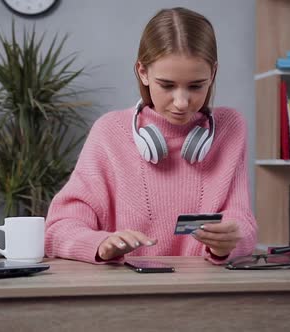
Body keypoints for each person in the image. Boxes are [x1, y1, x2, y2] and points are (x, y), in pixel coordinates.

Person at [44, 7, 257, 264]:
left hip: (207, 292)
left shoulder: (230, 127)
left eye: (196, 86)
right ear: (143, 72)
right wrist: (99, 244)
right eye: (167, 85)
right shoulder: (110, 132)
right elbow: (58, 228)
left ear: (212, 73)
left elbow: (241, 221)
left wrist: (230, 240)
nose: (181, 102)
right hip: (130, 294)